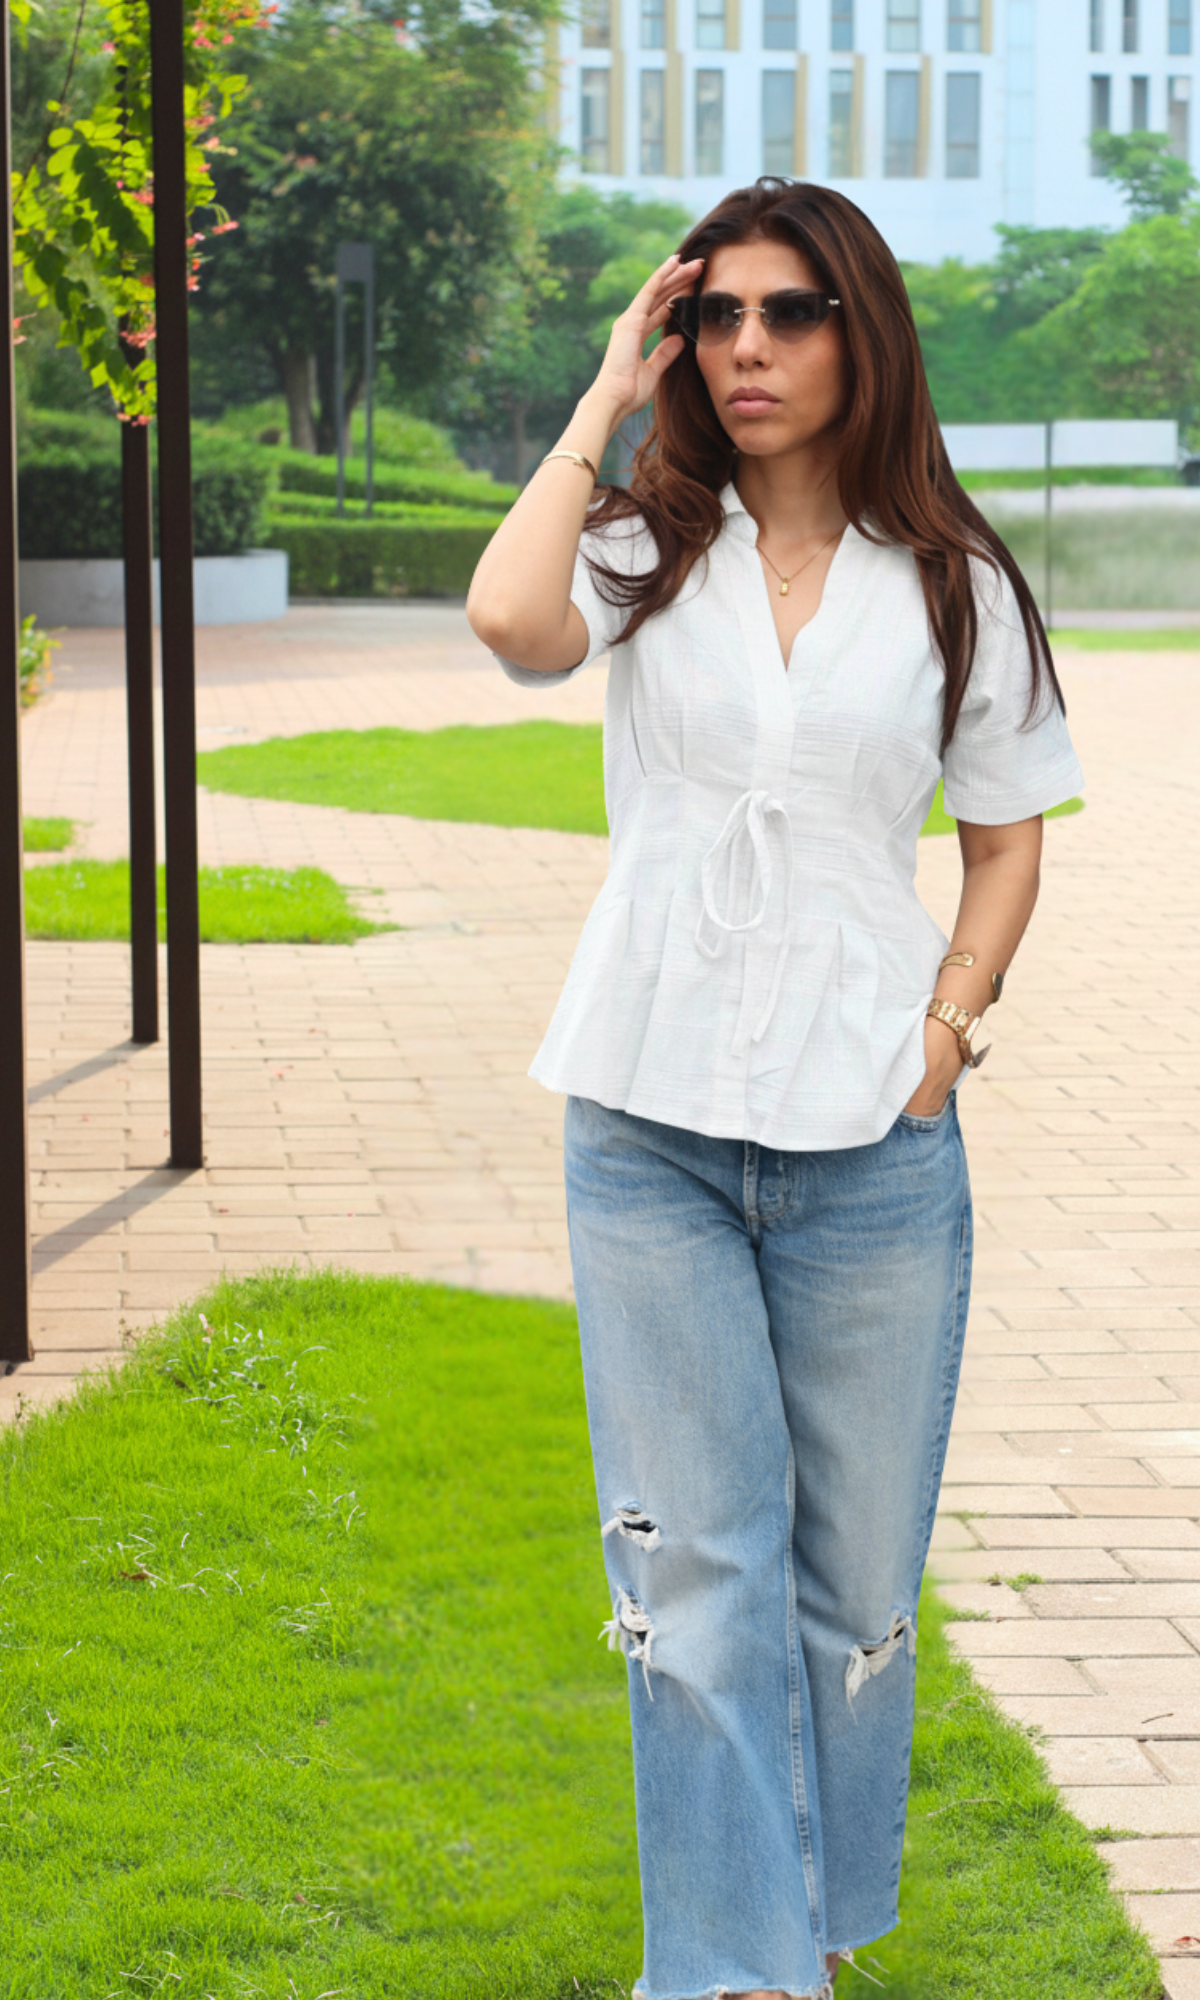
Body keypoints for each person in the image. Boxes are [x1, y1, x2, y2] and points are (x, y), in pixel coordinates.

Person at [466, 178, 1082, 2000]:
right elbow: (508, 620)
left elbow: (1006, 838)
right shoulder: (644, 541)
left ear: (859, 332)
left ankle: (790, 1935)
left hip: (873, 1144)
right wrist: (598, 396)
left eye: (789, 312)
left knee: (851, 1595)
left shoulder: (956, 584)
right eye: (717, 314)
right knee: (700, 1580)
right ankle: (739, 1978)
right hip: (646, 1117)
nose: (748, 347)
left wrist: (945, 1037)